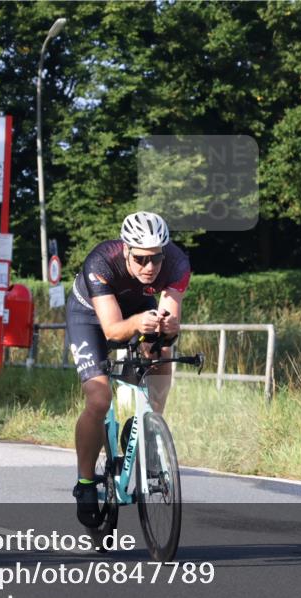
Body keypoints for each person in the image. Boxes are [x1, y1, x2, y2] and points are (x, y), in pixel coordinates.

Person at [66, 212, 190, 527]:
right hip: (90, 316)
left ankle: (147, 425)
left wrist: (168, 330)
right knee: (99, 399)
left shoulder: (177, 263)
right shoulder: (101, 262)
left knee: (161, 351)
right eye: (141, 259)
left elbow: (168, 322)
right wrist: (137, 323)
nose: (150, 267)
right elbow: (112, 330)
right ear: (126, 251)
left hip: (137, 309)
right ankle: (85, 483)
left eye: (156, 258)